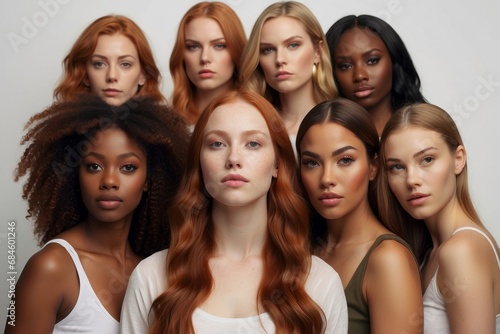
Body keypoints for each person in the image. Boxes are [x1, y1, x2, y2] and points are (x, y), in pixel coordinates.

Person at [120, 90, 348, 333]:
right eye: (217, 143)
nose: (234, 158)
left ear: (277, 165)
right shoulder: (150, 277)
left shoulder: (320, 282)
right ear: (199, 162)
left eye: (253, 143)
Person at [5, 95, 190, 334]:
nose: (109, 181)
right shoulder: (52, 267)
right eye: (94, 166)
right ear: (76, 176)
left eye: (128, 167)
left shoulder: (154, 269)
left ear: (149, 180)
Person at [296, 98, 422, 333]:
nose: (326, 179)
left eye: (345, 160)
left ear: (373, 167)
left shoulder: (388, 259)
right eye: (312, 162)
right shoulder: (303, 247)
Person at [377, 103, 500, 333]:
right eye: (397, 167)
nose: (411, 179)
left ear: (458, 159)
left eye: (427, 159)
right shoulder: (427, 253)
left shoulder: (461, 250)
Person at [239, 1, 337, 147]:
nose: (279, 60)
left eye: (293, 45)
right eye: (268, 50)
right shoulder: (249, 124)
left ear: (318, 51)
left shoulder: (341, 120)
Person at [325, 15, 426, 136]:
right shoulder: (327, 137)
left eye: (372, 60)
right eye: (345, 66)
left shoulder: (430, 130)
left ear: (394, 61)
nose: (359, 75)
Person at [54, 15, 165, 105]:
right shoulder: (60, 131)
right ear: (85, 75)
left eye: (125, 64)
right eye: (99, 64)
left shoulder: (163, 131)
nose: (112, 76)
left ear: (142, 75)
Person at [169, 2, 246, 125]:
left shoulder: (257, 117)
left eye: (219, 46)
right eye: (193, 46)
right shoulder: (164, 123)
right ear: (181, 55)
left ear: (237, 51)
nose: (205, 58)